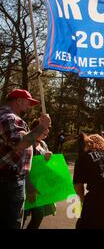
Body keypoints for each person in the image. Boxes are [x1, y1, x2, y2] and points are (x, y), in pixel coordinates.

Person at [0, 89, 51, 229]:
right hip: (9, 179)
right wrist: (41, 127)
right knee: (12, 223)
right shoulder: (10, 117)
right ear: (19, 101)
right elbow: (19, 143)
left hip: (9, 178)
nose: (30, 107)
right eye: (29, 103)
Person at [23, 120, 56, 229]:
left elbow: (46, 165)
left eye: (48, 129)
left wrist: (49, 157)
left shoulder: (43, 144)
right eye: (45, 128)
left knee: (38, 216)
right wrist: (29, 187)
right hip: (27, 186)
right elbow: (24, 166)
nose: (47, 131)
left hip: (40, 187)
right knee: (21, 218)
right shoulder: (28, 143)